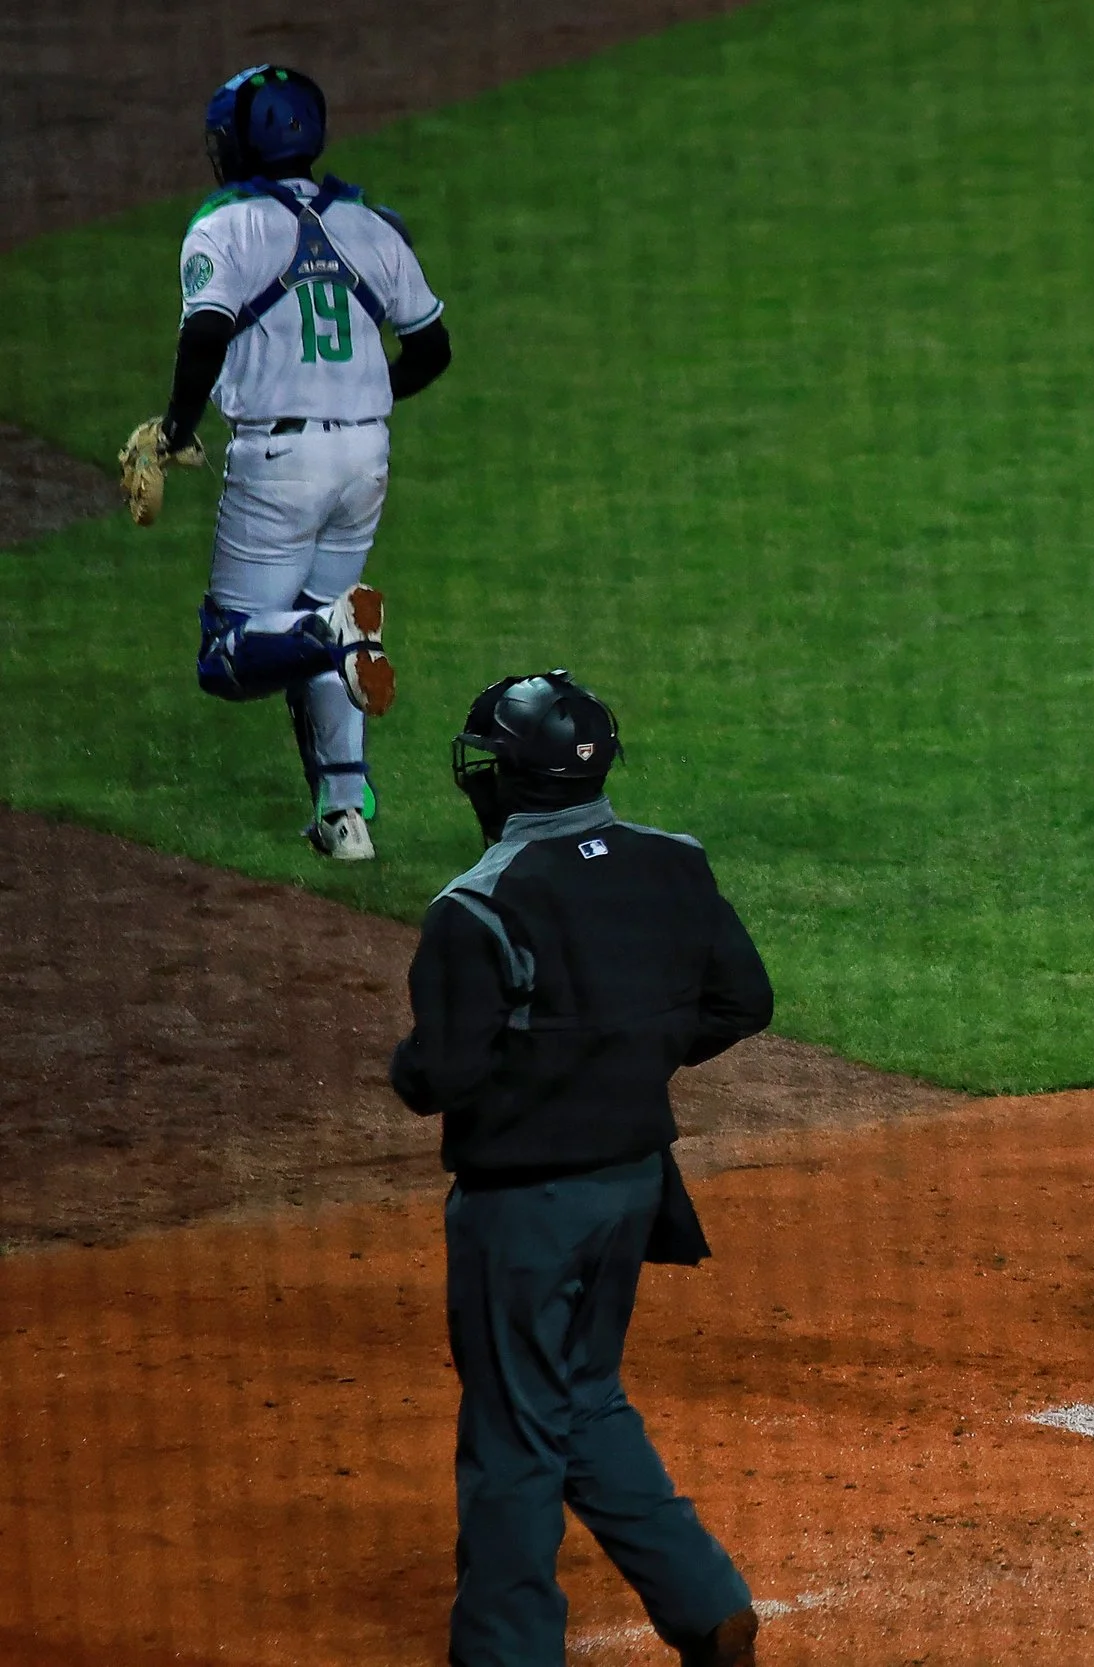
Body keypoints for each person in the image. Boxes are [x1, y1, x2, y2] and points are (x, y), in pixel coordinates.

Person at [390, 672, 768, 1665]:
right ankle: (702, 1597)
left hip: (523, 1209)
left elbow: (440, 1073)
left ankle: (507, 1651)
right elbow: (743, 1001)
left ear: (508, 778)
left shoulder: (477, 904)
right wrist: (626, 1052)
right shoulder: (673, 864)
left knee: (512, 1426)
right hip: (635, 1184)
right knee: (582, 1390)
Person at [124, 64, 452, 860]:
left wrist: (174, 427)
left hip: (279, 458)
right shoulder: (372, 223)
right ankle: (346, 818)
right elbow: (432, 349)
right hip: (366, 452)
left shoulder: (225, 225)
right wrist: (358, 401)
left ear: (234, 143)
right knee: (316, 621)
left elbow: (204, 332)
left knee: (231, 652)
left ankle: (332, 629)